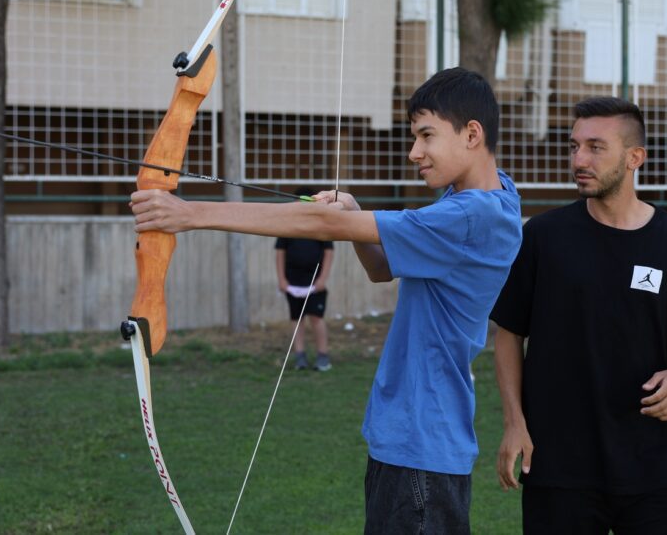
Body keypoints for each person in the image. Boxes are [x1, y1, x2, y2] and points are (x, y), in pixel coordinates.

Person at [130, 67, 522, 534]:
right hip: (411, 441)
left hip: (423, 447)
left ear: (472, 134)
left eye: (426, 135)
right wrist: (357, 216)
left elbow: (324, 226)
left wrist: (189, 213)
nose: (414, 151)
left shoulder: (471, 215)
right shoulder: (494, 195)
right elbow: (381, 268)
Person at [492, 97, 667, 534]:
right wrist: (515, 422)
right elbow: (509, 333)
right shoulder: (544, 237)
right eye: (573, 146)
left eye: (595, 147)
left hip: (659, 465)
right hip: (560, 464)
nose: (579, 160)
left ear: (634, 158)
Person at [274, 186, 334, 371]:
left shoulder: (321, 225)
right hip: (293, 280)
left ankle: (322, 355)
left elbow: (328, 252)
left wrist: (322, 279)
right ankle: (300, 355)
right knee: (296, 319)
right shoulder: (288, 226)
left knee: (316, 318)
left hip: (315, 282)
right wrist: (282, 279)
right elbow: (279, 253)